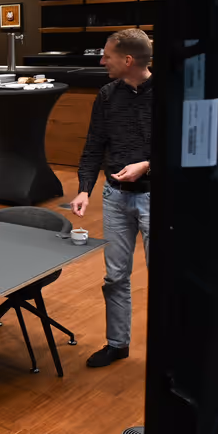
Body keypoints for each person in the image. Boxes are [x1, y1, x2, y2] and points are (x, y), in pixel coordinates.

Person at [70, 29, 153, 369]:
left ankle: (172, 354)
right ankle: (117, 343)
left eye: (108, 56)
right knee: (115, 276)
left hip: (154, 197)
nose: (102, 61)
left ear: (128, 59)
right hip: (116, 198)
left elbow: (186, 146)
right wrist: (84, 189)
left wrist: (147, 165)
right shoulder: (106, 95)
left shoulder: (170, 94)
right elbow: (93, 145)